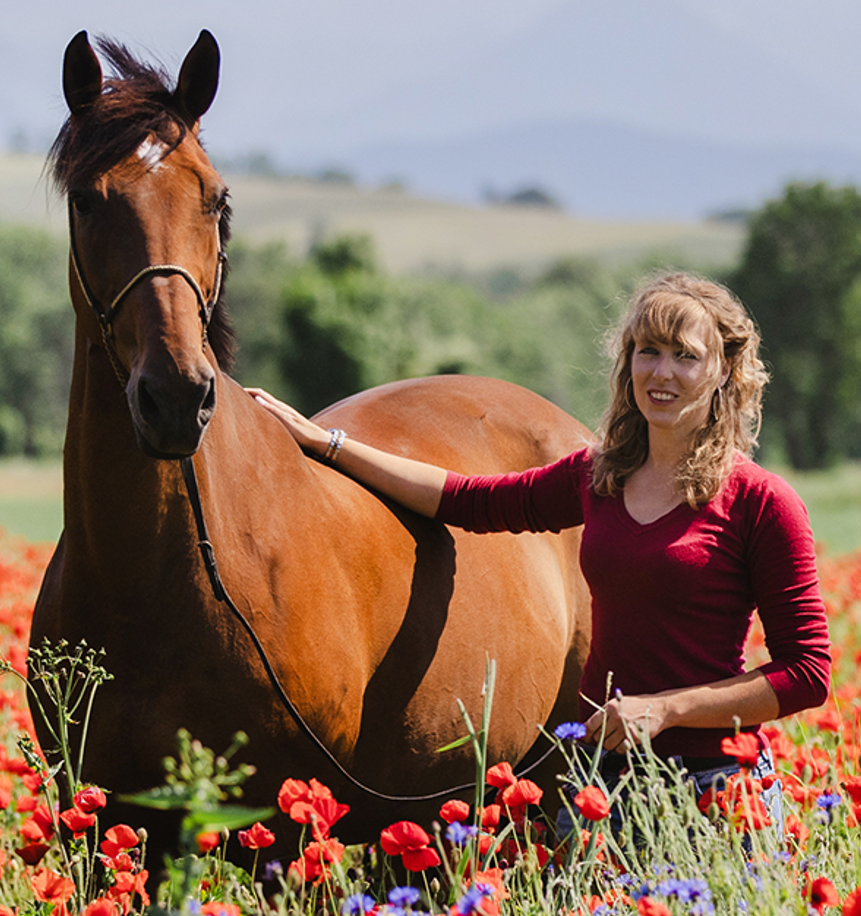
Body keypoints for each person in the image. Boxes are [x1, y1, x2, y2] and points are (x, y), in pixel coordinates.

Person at [247, 271, 831, 836]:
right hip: (603, 784)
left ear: (723, 370)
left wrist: (667, 710)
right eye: (647, 350)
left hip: (715, 789)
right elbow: (463, 499)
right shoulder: (598, 478)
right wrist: (326, 442)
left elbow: (807, 674)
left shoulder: (763, 501)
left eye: (685, 355)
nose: (662, 372)